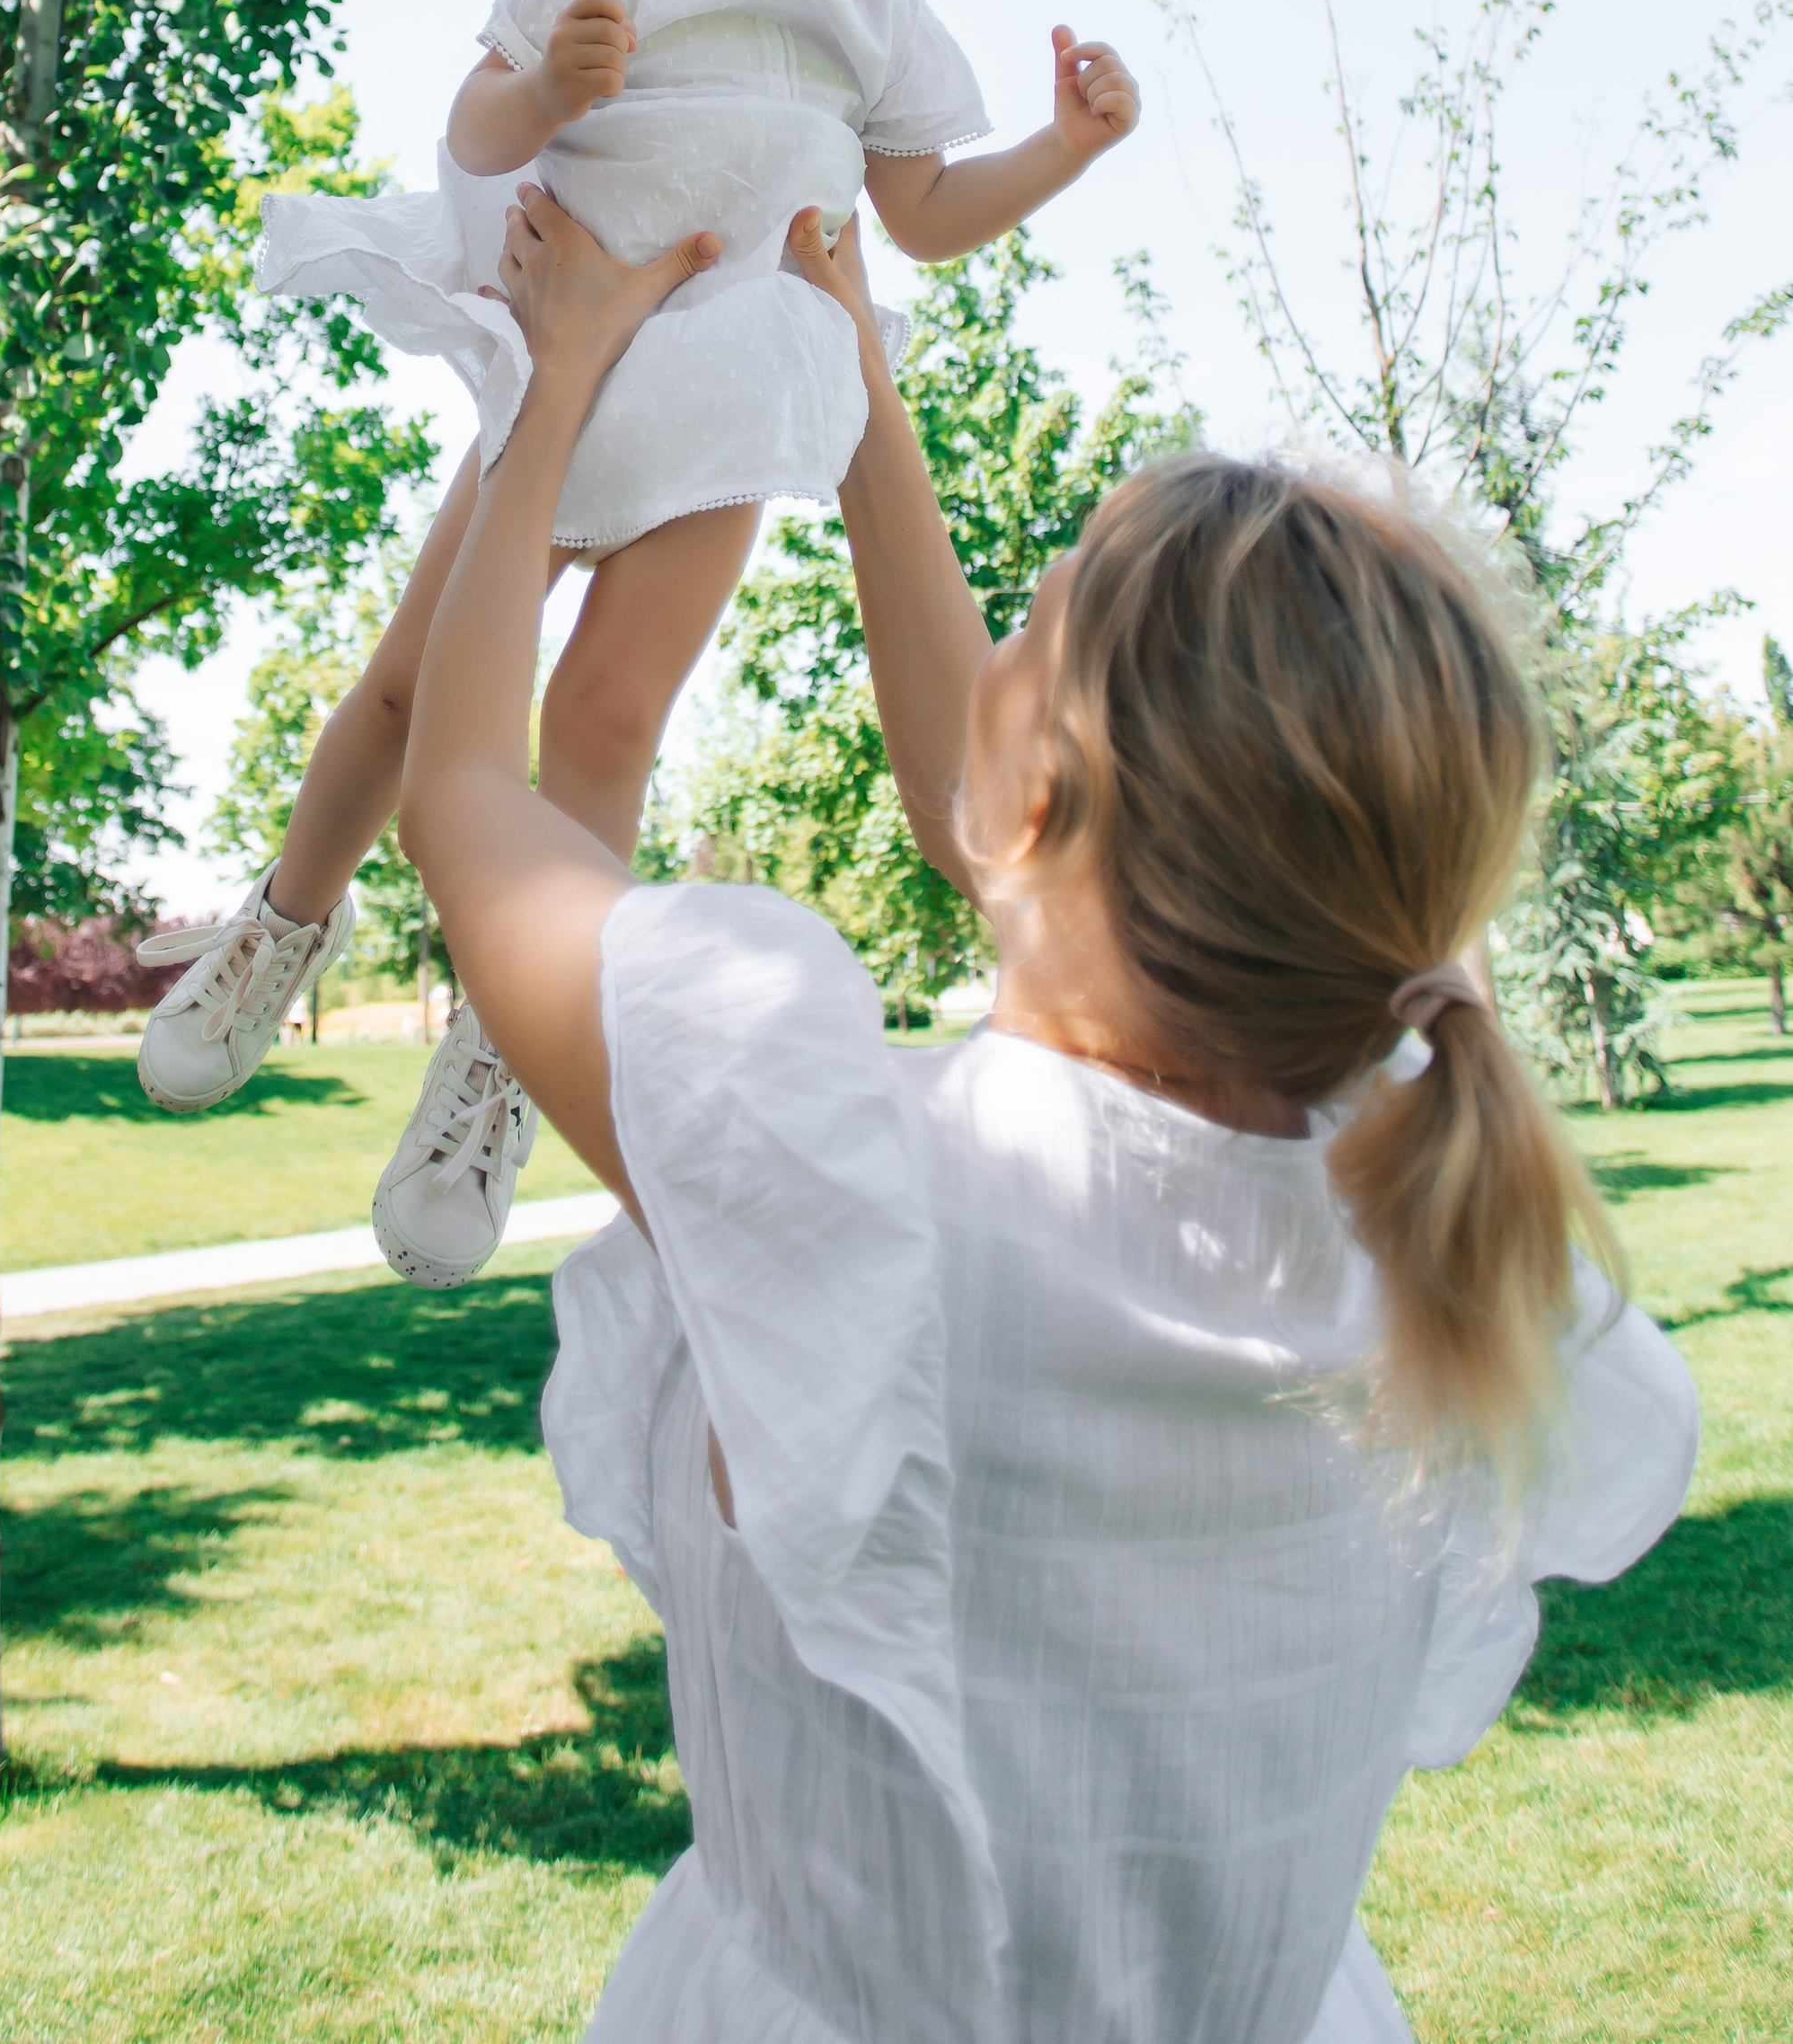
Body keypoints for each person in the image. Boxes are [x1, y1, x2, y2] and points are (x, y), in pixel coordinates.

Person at [391, 184, 1698, 2044]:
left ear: (1040, 800)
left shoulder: (833, 1187)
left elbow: (460, 792)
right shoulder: (1455, 1249)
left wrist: (559, 373)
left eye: (1027, 616)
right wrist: (861, 412)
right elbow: (1021, 827)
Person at [136, 0, 1141, 1288]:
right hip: (570, 358)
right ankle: (284, 923)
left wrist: (1066, 148)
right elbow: (474, 124)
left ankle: (506, 1051)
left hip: (741, 382)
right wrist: (553, 93)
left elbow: (925, 210)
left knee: (605, 717)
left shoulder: (876, 9)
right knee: (410, 685)